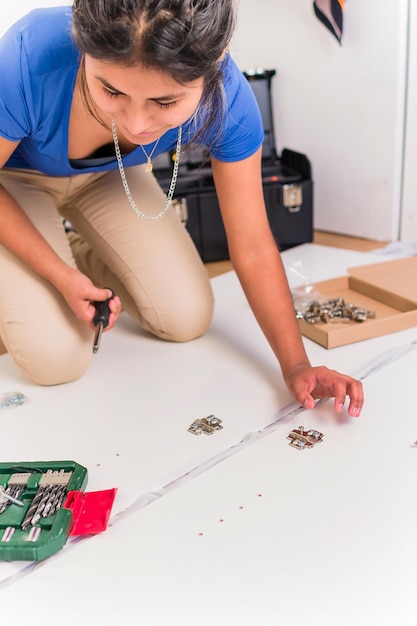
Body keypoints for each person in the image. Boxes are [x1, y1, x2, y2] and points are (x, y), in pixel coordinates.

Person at [0, 0, 363, 416]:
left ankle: (81, 251)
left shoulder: (228, 98)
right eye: (111, 90)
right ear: (81, 48)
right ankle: (42, 259)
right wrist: (59, 275)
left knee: (186, 317)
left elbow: (253, 244)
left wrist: (296, 364)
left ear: (213, 71)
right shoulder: (29, 54)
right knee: (56, 359)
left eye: (166, 102)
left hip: (113, 175)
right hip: (12, 180)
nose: (136, 125)